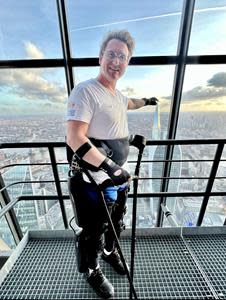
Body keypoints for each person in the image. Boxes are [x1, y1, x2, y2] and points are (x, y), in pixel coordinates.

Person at [66, 29, 158, 299]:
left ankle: (109, 252)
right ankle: (92, 268)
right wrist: (109, 167)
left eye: (123, 57)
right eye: (112, 54)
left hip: (118, 179)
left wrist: (146, 104)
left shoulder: (118, 96)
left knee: (116, 221)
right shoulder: (85, 91)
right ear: (100, 57)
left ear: (127, 63)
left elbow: (129, 104)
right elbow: (75, 137)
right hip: (92, 180)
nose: (116, 61)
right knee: (93, 230)